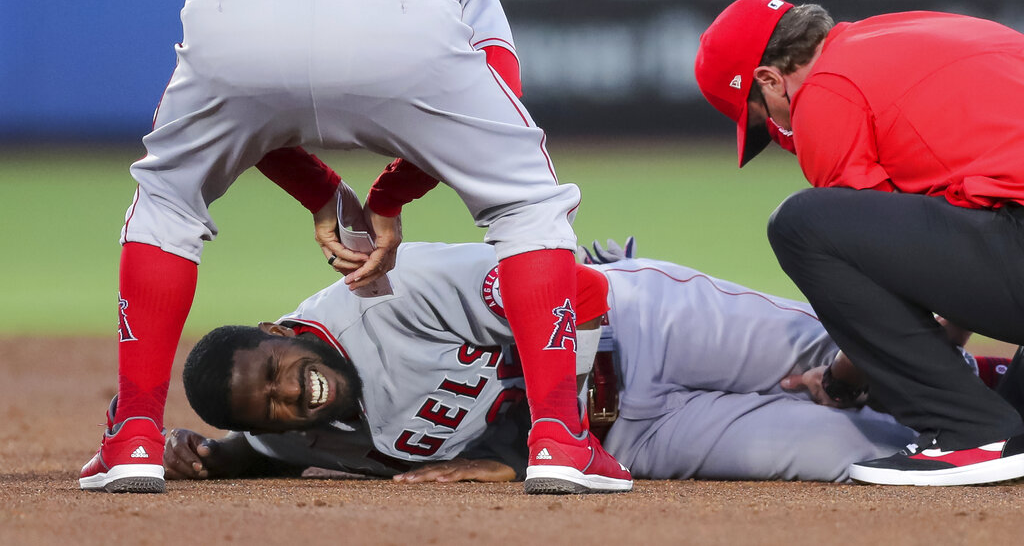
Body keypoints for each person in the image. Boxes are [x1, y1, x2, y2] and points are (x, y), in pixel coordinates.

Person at [80, 0, 629, 495]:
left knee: (166, 207)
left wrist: (323, 192)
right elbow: (500, 93)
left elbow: (241, 117)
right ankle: (556, 438)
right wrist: (389, 196)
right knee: (526, 209)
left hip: (235, 2)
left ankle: (133, 435)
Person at [162, 239, 938, 486]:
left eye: (274, 368)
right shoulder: (293, 434)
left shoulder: (386, 294)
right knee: (853, 455)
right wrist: (208, 456)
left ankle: (1000, 389)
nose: (289, 391)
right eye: (268, 403)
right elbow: (258, 450)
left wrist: (514, 454)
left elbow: (568, 285)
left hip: (648, 325)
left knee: (854, 354)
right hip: (635, 438)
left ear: (280, 330)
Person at [693, 0, 1024, 485]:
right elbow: (954, 236)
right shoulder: (905, 31)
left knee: (801, 224)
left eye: (766, 117)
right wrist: (945, 342)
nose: (782, 132)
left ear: (768, 80)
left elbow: (889, 275)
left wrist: (842, 379)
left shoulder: (825, 94)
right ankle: (993, 428)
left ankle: (968, 431)